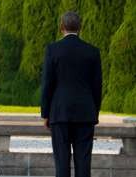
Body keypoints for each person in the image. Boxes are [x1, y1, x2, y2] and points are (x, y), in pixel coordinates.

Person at [41, 11, 102, 177]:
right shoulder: (92, 52)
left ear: (62, 27)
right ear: (80, 28)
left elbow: (47, 83)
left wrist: (45, 113)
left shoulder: (52, 50)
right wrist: (94, 112)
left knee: (61, 161)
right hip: (85, 113)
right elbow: (97, 86)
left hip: (59, 112)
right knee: (83, 161)